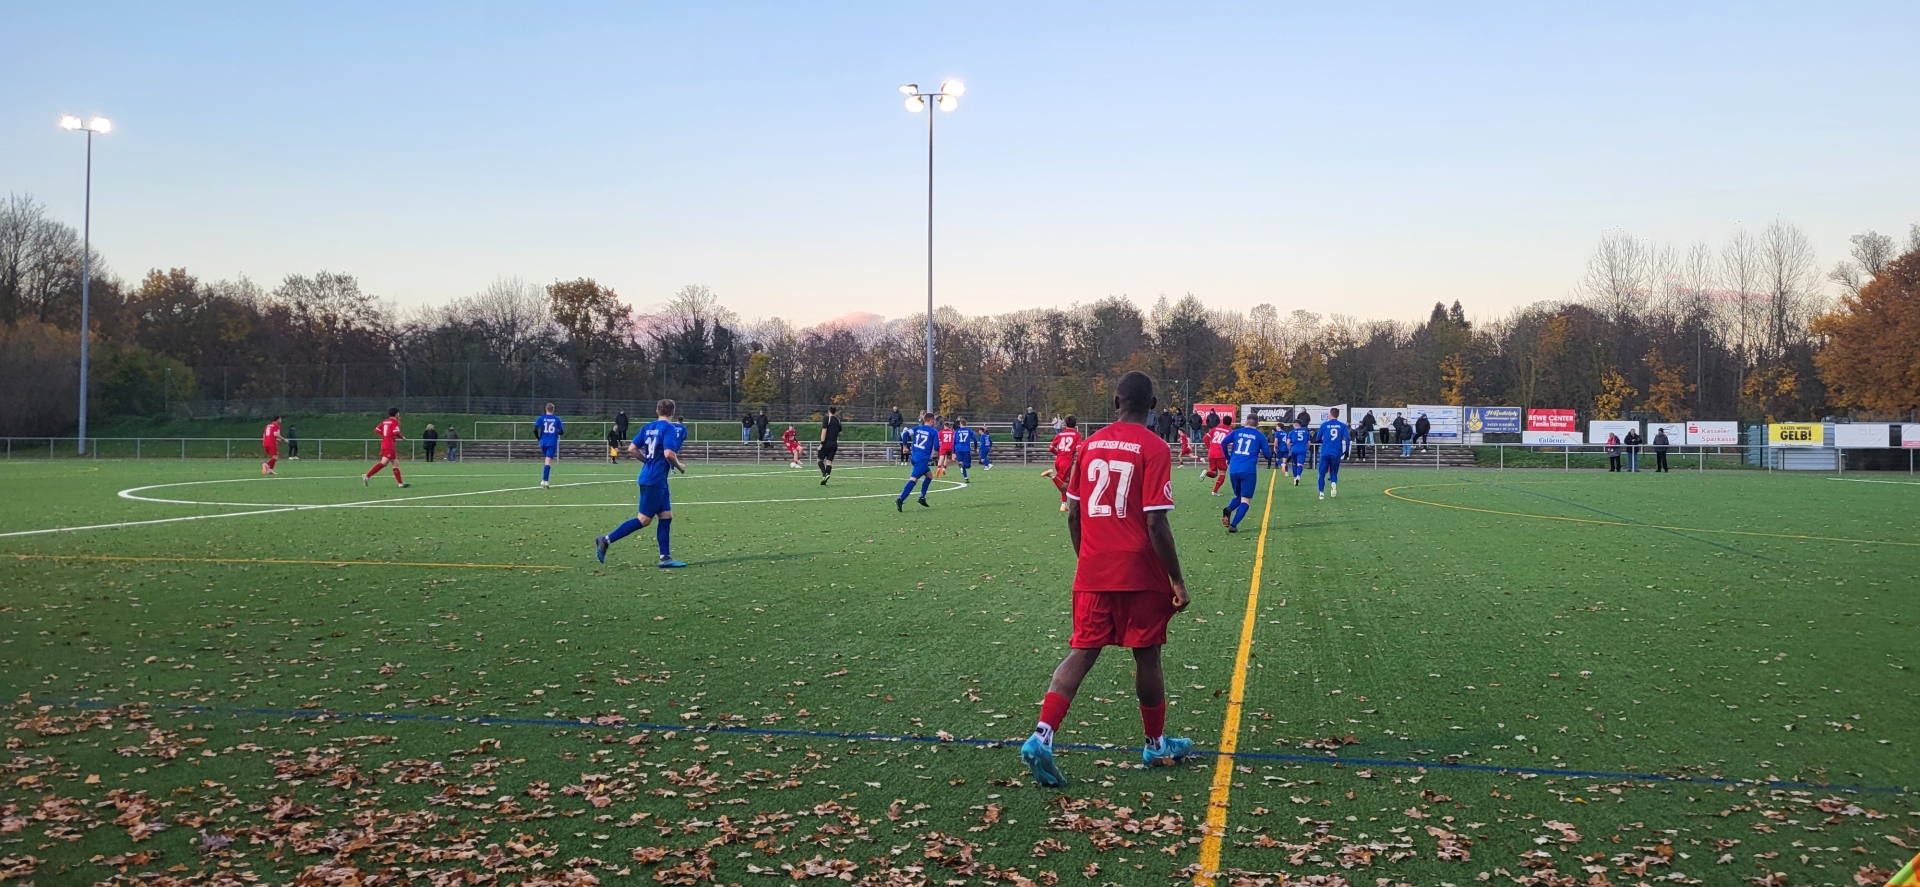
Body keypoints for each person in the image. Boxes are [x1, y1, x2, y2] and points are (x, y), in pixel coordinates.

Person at [1020, 371, 1190, 788]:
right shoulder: (1154, 446)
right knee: (1147, 654)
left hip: (1094, 569)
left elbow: (1074, 514)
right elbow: (1156, 523)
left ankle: (1042, 736)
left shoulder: (1090, 444)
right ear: (1153, 406)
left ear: (1116, 402)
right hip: (1140, 571)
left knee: (1082, 651)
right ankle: (1155, 745)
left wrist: (1088, 559)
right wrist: (1177, 580)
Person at [595, 398, 688, 568]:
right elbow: (668, 454)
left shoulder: (648, 427)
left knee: (666, 516)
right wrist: (680, 466)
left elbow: (632, 449)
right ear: (673, 412)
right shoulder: (669, 428)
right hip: (654, 480)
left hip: (655, 479)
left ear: (657, 411)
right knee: (643, 520)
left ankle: (665, 557)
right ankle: (606, 540)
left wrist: (647, 461)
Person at [1220, 412, 1272, 534]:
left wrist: (1228, 457)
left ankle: (1229, 509)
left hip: (1234, 468)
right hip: (1248, 470)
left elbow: (1223, 443)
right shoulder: (1260, 436)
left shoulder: (1236, 432)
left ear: (1245, 422)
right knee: (1246, 499)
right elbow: (1267, 455)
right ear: (1257, 424)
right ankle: (1233, 525)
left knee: (1239, 496)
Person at [896, 412, 939, 510]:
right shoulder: (933, 431)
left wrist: (905, 447)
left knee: (929, 476)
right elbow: (936, 447)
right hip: (922, 459)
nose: (935, 422)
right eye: (934, 420)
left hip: (914, 457)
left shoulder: (917, 429)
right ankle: (900, 499)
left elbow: (905, 434)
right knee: (913, 480)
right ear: (931, 420)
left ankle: (922, 497)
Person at [1040, 415, 1082, 512]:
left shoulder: (1060, 434)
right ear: (1075, 424)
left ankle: (1064, 505)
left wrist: (1058, 454)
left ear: (1065, 424)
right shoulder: (1077, 435)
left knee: (1065, 482)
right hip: (1067, 461)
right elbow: (1079, 448)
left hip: (1058, 460)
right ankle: (1051, 475)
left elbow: (1051, 448)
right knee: (1063, 486)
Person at [362, 408, 407, 488]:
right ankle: (367, 476)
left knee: (393, 463)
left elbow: (376, 430)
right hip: (389, 445)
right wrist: (402, 437)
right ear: (396, 414)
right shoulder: (395, 422)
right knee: (385, 463)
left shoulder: (385, 421)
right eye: (398, 413)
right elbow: (395, 432)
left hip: (385, 443)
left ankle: (400, 483)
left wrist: (385, 435)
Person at [1315, 407, 1351, 500]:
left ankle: (1321, 493)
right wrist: (1346, 451)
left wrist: (1324, 440)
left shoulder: (1324, 425)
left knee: (1322, 474)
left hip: (1325, 452)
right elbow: (1347, 438)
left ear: (1330, 414)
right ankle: (1333, 484)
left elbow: (1317, 438)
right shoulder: (1342, 425)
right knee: (1333, 472)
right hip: (1336, 452)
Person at [535, 403, 564, 488]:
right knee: (548, 461)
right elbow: (561, 432)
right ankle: (545, 480)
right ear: (553, 409)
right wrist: (557, 431)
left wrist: (538, 438)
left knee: (547, 460)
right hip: (552, 442)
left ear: (546, 409)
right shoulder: (556, 419)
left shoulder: (541, 418)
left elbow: (535, 429)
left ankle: (544, 480)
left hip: (543, 442)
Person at [1204, 418, 1232, 495]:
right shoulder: (1229, 431)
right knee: (1222, 473)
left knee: (1214, 473)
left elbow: (1205, 438)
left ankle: (1206, 473)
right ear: (1230, 423)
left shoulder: (1215, 428)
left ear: (1222, 421)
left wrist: (1209, 448)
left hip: (1212, 453)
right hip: (1221, 454)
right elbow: (1233, 444)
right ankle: (1215, 491)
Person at [817, 405, 843, 485]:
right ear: (835, 411)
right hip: (834, 443)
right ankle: (826, 477)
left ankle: (825, 474)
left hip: (826, 443)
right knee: (829, 461)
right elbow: (840, 433)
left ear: (829, 411)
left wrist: (822, 443)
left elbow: (824, 431)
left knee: (819, 459)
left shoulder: (827, 419)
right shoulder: (838, 420)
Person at [1284, 414, 1312, 486]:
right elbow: (1309, 443)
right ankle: (1298, 476)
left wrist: (1289, 449)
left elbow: (1288, 442)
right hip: (1302, 450)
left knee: (1294, 464)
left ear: (1294, 425)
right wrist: (1307, 448)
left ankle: (1294, 478)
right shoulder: (1305, 432)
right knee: (1300, 464)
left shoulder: (1292, 432)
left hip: (1294, 450)